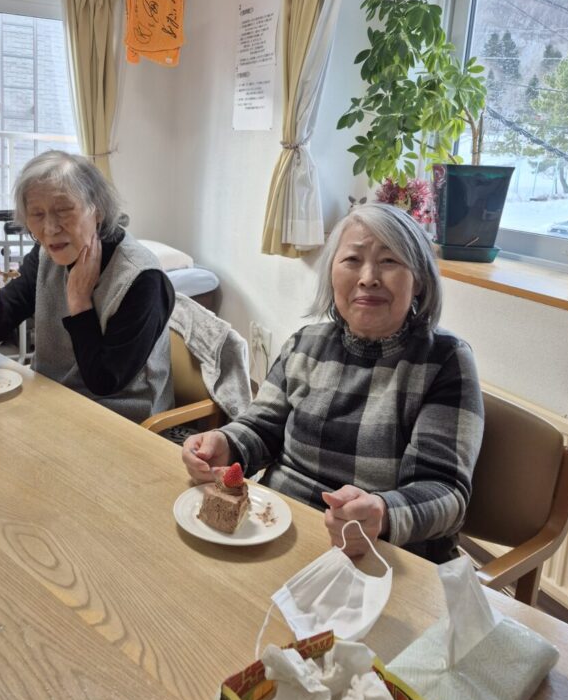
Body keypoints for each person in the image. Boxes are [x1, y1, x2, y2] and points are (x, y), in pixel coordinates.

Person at [182, 203, 484, 563]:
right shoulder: (305, 343)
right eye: (353, 260)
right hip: (278, 527)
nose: (368, 277)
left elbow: (445, 491)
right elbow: (261, 427)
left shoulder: (445, 360)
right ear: (331, 275)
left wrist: (383, 512)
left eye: (389, 261)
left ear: (418, 279)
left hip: (382, 551)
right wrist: (226, 442)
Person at [0, 150, 174, 423]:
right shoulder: (46, 255)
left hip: (122, 417)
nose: (50, 228)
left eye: (63, 210)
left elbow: (105, 381)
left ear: (98, 209)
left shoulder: (142, 279)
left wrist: (80, 303)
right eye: (37, 214)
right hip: (52, 400)